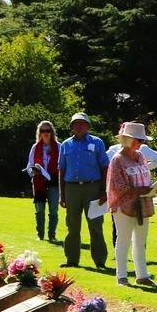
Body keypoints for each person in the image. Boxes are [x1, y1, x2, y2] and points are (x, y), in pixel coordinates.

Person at [106, 121, 157, 287]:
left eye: (142, 140)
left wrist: (152, 188)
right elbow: (118, 185)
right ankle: (121, 276)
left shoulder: (141, 156)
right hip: (123, 206)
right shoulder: (117, 160)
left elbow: (145, 177)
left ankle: (142, 275)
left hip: (142, 203)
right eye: (138, 140)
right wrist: (139, 190)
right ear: (127, 139)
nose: (140, 144)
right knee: (123, 240)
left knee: (141, 241)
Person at [58, 114, 110, 270]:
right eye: (75, 124)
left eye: (82, 123)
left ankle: (100, 261)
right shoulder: (65, 145)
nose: (79, 126)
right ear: (71, 127)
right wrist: (62, 194)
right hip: (71, 188)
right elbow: (61, 169)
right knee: (72, 225)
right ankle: (72, 259)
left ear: (88, 126)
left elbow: (105, 167)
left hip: (92, 187)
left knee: (95, 224)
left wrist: (103, 190)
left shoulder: (97, 142)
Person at [26, 120, 61, 243]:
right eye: (42, 131)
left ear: (52, 132)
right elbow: (29, 166)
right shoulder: (35, 147)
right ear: (39, 133)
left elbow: (62, 166)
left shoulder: (59, 147)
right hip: (38, 182)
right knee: (39, 210)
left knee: (53, 210)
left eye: (48, 130)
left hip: (54, 181)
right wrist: (33, 172)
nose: (45, 133)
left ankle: (52, 234)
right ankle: (40, 235)